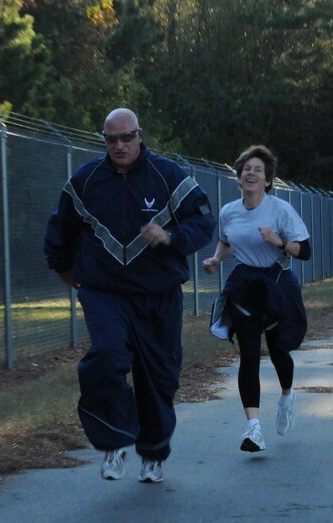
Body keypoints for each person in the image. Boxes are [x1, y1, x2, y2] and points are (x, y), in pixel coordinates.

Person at [44, 108, 215, 484]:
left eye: (127, 137)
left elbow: (203, 222)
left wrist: (171, 237)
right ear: (103, 140)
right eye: (111, 139)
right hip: (105, 294)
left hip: (159, 296)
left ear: (140, 135)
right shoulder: (85, 180)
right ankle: (114, 441)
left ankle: (153, 454)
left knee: (159, 378)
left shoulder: (167, 175)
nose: (120, 145)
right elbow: (60, 231)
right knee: (105, 356)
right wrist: (69, 273)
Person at [202, 145, 310, 452]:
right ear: (238, 178)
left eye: (257, 170)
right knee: (249, 355)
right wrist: (215, 260)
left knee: (278, 353)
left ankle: (287, 396)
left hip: (276, 283)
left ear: (267, 180)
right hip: (244, 285)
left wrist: (279, 241)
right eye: (246, 169)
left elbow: (306, 251)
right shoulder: (228, 211)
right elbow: (225, 242)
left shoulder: (280, 210)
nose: (250, 173)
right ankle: (253, 429)